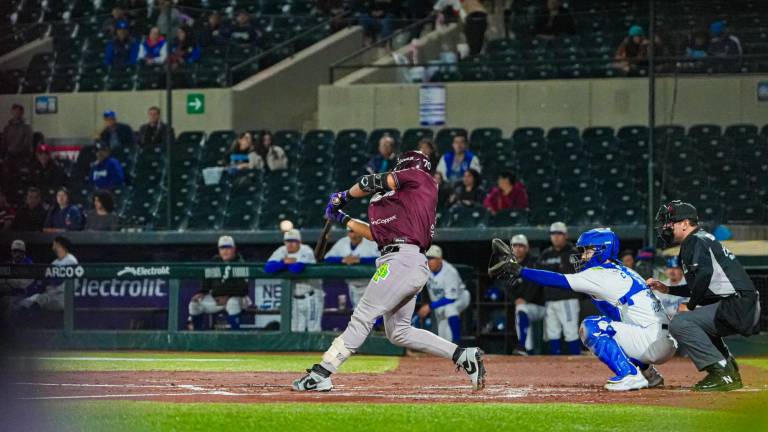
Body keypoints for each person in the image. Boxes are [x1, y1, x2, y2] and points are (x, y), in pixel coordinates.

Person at [292, 150, 485, 392]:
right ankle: (462, 354)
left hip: (402, 261)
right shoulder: (400, 199)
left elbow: (366, 182)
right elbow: (377, 234)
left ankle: (323, 371)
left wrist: (343, 195)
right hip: (400, 260)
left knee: (364, 314)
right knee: (399, 333)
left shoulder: (420, 178)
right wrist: (343, 218)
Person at [489, 228, 675, 391]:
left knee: (591, 327)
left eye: (588, 250)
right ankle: (650, 375)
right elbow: (617, 314)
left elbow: (557, 280)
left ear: (602, 250)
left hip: (650, 341)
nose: (584, 255)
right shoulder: (622, 270)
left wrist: (519, 270)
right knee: (613, 324)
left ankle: (629, 375)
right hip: (662, 340)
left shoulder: (600, 273)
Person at [649, 200, 759, 391]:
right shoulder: (702, 238)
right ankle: (729, 371)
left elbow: (704, 275)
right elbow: (701, 283)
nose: (665, 228)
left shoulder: (694, 240)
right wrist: (668, 289)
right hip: (741, 303)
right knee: (697, 323)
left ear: (685, 224)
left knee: (681, 323)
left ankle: (721, 373)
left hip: (736, 304)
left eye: (670, 223)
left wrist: (690, 305)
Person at [265, 229, 323, 332]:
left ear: (299, 242)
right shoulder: (281, 250)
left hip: (312, 296)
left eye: (293, 241)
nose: (290, 244)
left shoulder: (306, 250)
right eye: (287, 241)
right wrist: (285, 263)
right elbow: (268, 268)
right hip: (295, 298)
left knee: (314, 331)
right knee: (295, 331)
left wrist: (283, 264)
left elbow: (296, 269)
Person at [189, 236, 251, 330]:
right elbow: (207, 282)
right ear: (219, 250)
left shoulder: (240, 263)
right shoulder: (215, 262)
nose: (225, 251)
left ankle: (236, 336)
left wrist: (228, 296)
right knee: (194, 304)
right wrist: (202, 292)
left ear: (234, 249)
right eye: (222, 248)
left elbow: (243, 288)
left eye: (228, 248)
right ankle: (197, 335)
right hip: (217, 299)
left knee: (232, 303)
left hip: (239, 298)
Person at [537, 221, 581, 355]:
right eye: (553, 234)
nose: (556, 237)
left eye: (559, 234)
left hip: (567, 299)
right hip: (550, 299)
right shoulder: (545, 254)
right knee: (552, 332)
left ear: (565, 235)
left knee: (571, 331)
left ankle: (577, 364)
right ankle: (554, 368)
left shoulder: (574, 253)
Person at [418, 245, 470, 343]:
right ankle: (451, 347)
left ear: (440, 259)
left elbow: (451, 298)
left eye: (432, 258)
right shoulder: (425, 269)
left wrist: (429, 306)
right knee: (444, 339)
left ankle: (457, 344)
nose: (429, 261)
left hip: (460, 298)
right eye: (427, 258)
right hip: (440, 302)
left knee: (449, 309)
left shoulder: (450, 272)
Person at [506, 234, 545, 356]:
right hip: (525, 307)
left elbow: (535, 285)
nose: (518, 248)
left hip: (540, 306)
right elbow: (508, 288)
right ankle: (526, 350)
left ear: (527, 248)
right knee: (521, 311)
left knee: (521, 309)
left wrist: (525, 299)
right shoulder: (509, 266)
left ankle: (523, 347)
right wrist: (516, 299)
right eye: (515, 246)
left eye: (521, 246)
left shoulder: (534, 263)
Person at [18, 236, 78, 312]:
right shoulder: (55, 262)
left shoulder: (70, 260)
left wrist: (51, 289)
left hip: (62, 296)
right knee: (28, 300)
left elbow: (68, 285)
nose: (53, 248)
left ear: (61, 246)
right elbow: (47, 281)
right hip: (50, 294)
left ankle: (30, 314)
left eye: (54, 245)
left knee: (41, 299)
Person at [324, 228, 380, 309]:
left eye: (357, 232)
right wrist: (342, 259)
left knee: (374, 314)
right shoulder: (343, 242)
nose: (354, 235)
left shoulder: (371, 243)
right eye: (351, 232)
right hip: (353, 286)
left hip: (371, 285)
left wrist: (360, 260)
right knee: (358, 314)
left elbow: (383, 258)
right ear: (348, 233)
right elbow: (327, 258)